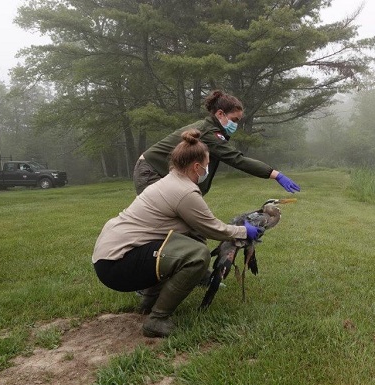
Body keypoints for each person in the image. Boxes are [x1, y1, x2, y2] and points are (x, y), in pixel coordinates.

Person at [92, 130, 264, 338]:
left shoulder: (171, 181)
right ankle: (157, 320)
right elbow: (213, 229)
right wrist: (245, 231)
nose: (208, 168)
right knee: (197, 255)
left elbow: (197, 228)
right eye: (207, 164)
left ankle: (150, 301)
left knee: (184, 245)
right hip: (117, 265)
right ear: (196, 167)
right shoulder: (184, 191)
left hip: (110, 258)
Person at [133, 89, 300, 196]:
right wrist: (276, 175)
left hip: (158, 170)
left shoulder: (213, 130)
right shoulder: (209, 132)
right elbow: (237, 159)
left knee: (180, 221)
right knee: (162, 220)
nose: (236, 124)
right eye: (234, 119)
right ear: (220, 114)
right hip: (151, 170)